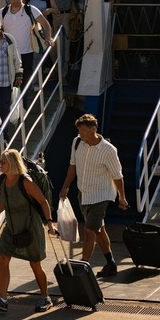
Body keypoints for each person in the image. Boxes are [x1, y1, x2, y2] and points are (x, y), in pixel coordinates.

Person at [0, 148, 54, 312]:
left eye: (3, 162)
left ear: (13, 163)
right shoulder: (3, 180)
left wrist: (49, 223)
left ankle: (45, 297)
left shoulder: (25, 181)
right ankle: (2, 299)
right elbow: (4, 202)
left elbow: (43, 202)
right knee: (3, 259)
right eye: (0, 162)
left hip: (30, 227)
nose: (0, 165)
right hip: (12, 227)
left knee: (35, 263)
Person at [59, 114, 127, 278]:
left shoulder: (108, 150)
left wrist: (122, 197)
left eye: (83, 131)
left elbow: (117, 175)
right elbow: (72, 167)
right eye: (79, 131)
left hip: (102, 195)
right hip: (84, 193)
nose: (81, 135)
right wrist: (65, 188)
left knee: (89, 231)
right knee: (99, 230)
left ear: (93, 129)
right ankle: (111, 263)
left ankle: (83, 267)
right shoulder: (77, 143)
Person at [0, 0, 52, 86]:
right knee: (10, 83)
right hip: (8, 53)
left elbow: (46, 24)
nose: (15, 1)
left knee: (24, 84)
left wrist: (48, 37)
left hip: (26, 53)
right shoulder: (3, 12)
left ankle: (24, 102)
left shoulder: (30, 10)